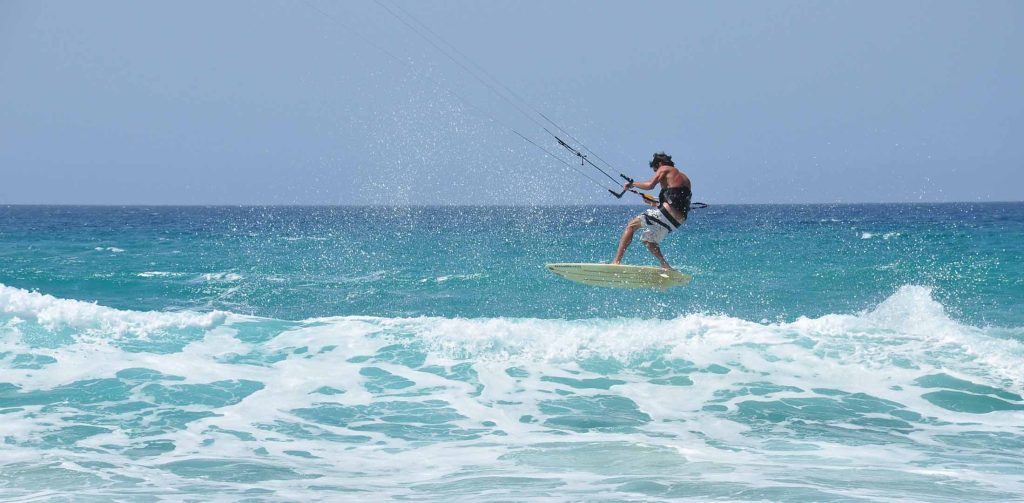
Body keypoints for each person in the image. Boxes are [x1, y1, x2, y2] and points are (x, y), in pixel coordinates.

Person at [612, 152, 691, 270]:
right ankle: (666, 266)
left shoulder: (664, 168)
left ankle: (616, 262)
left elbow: (650, 185)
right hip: (678, 221)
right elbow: (675, 202)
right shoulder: (684, 178)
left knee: (631, 225)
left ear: (659, 163)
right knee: (648, 240)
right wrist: (654, 204)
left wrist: (632, 184)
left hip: (667, 214)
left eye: (655, 170)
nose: (656, 173)